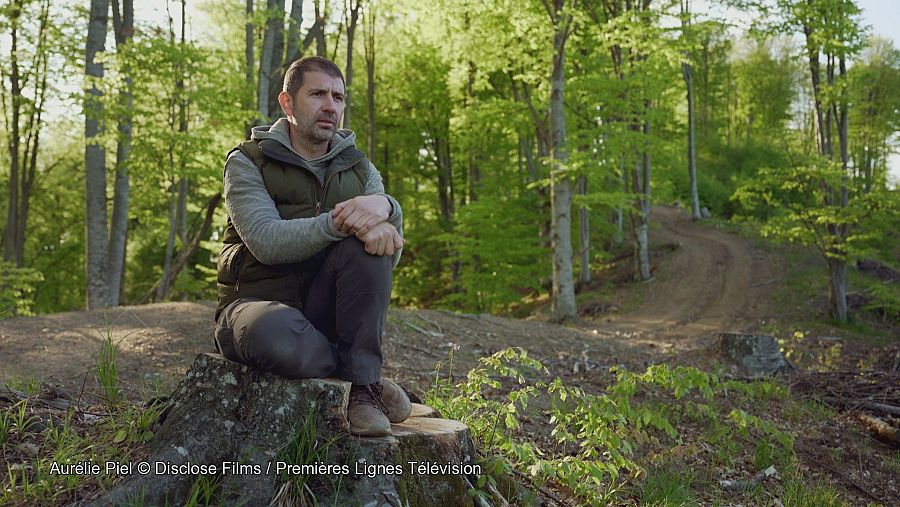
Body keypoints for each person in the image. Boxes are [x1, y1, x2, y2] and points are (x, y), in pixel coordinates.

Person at [213, 56, 410, 437]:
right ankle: (361, 378)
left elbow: (388, 252)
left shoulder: (360, 168)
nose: (330, 106)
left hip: (324, 313)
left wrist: (389, 208)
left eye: (338, 96)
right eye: (317, 94)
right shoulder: (248, 161)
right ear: (287, 103)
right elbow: (267, 241)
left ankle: (362, 391)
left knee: (365, 251)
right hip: (254, 309)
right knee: (276, 334)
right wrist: (343, 221)